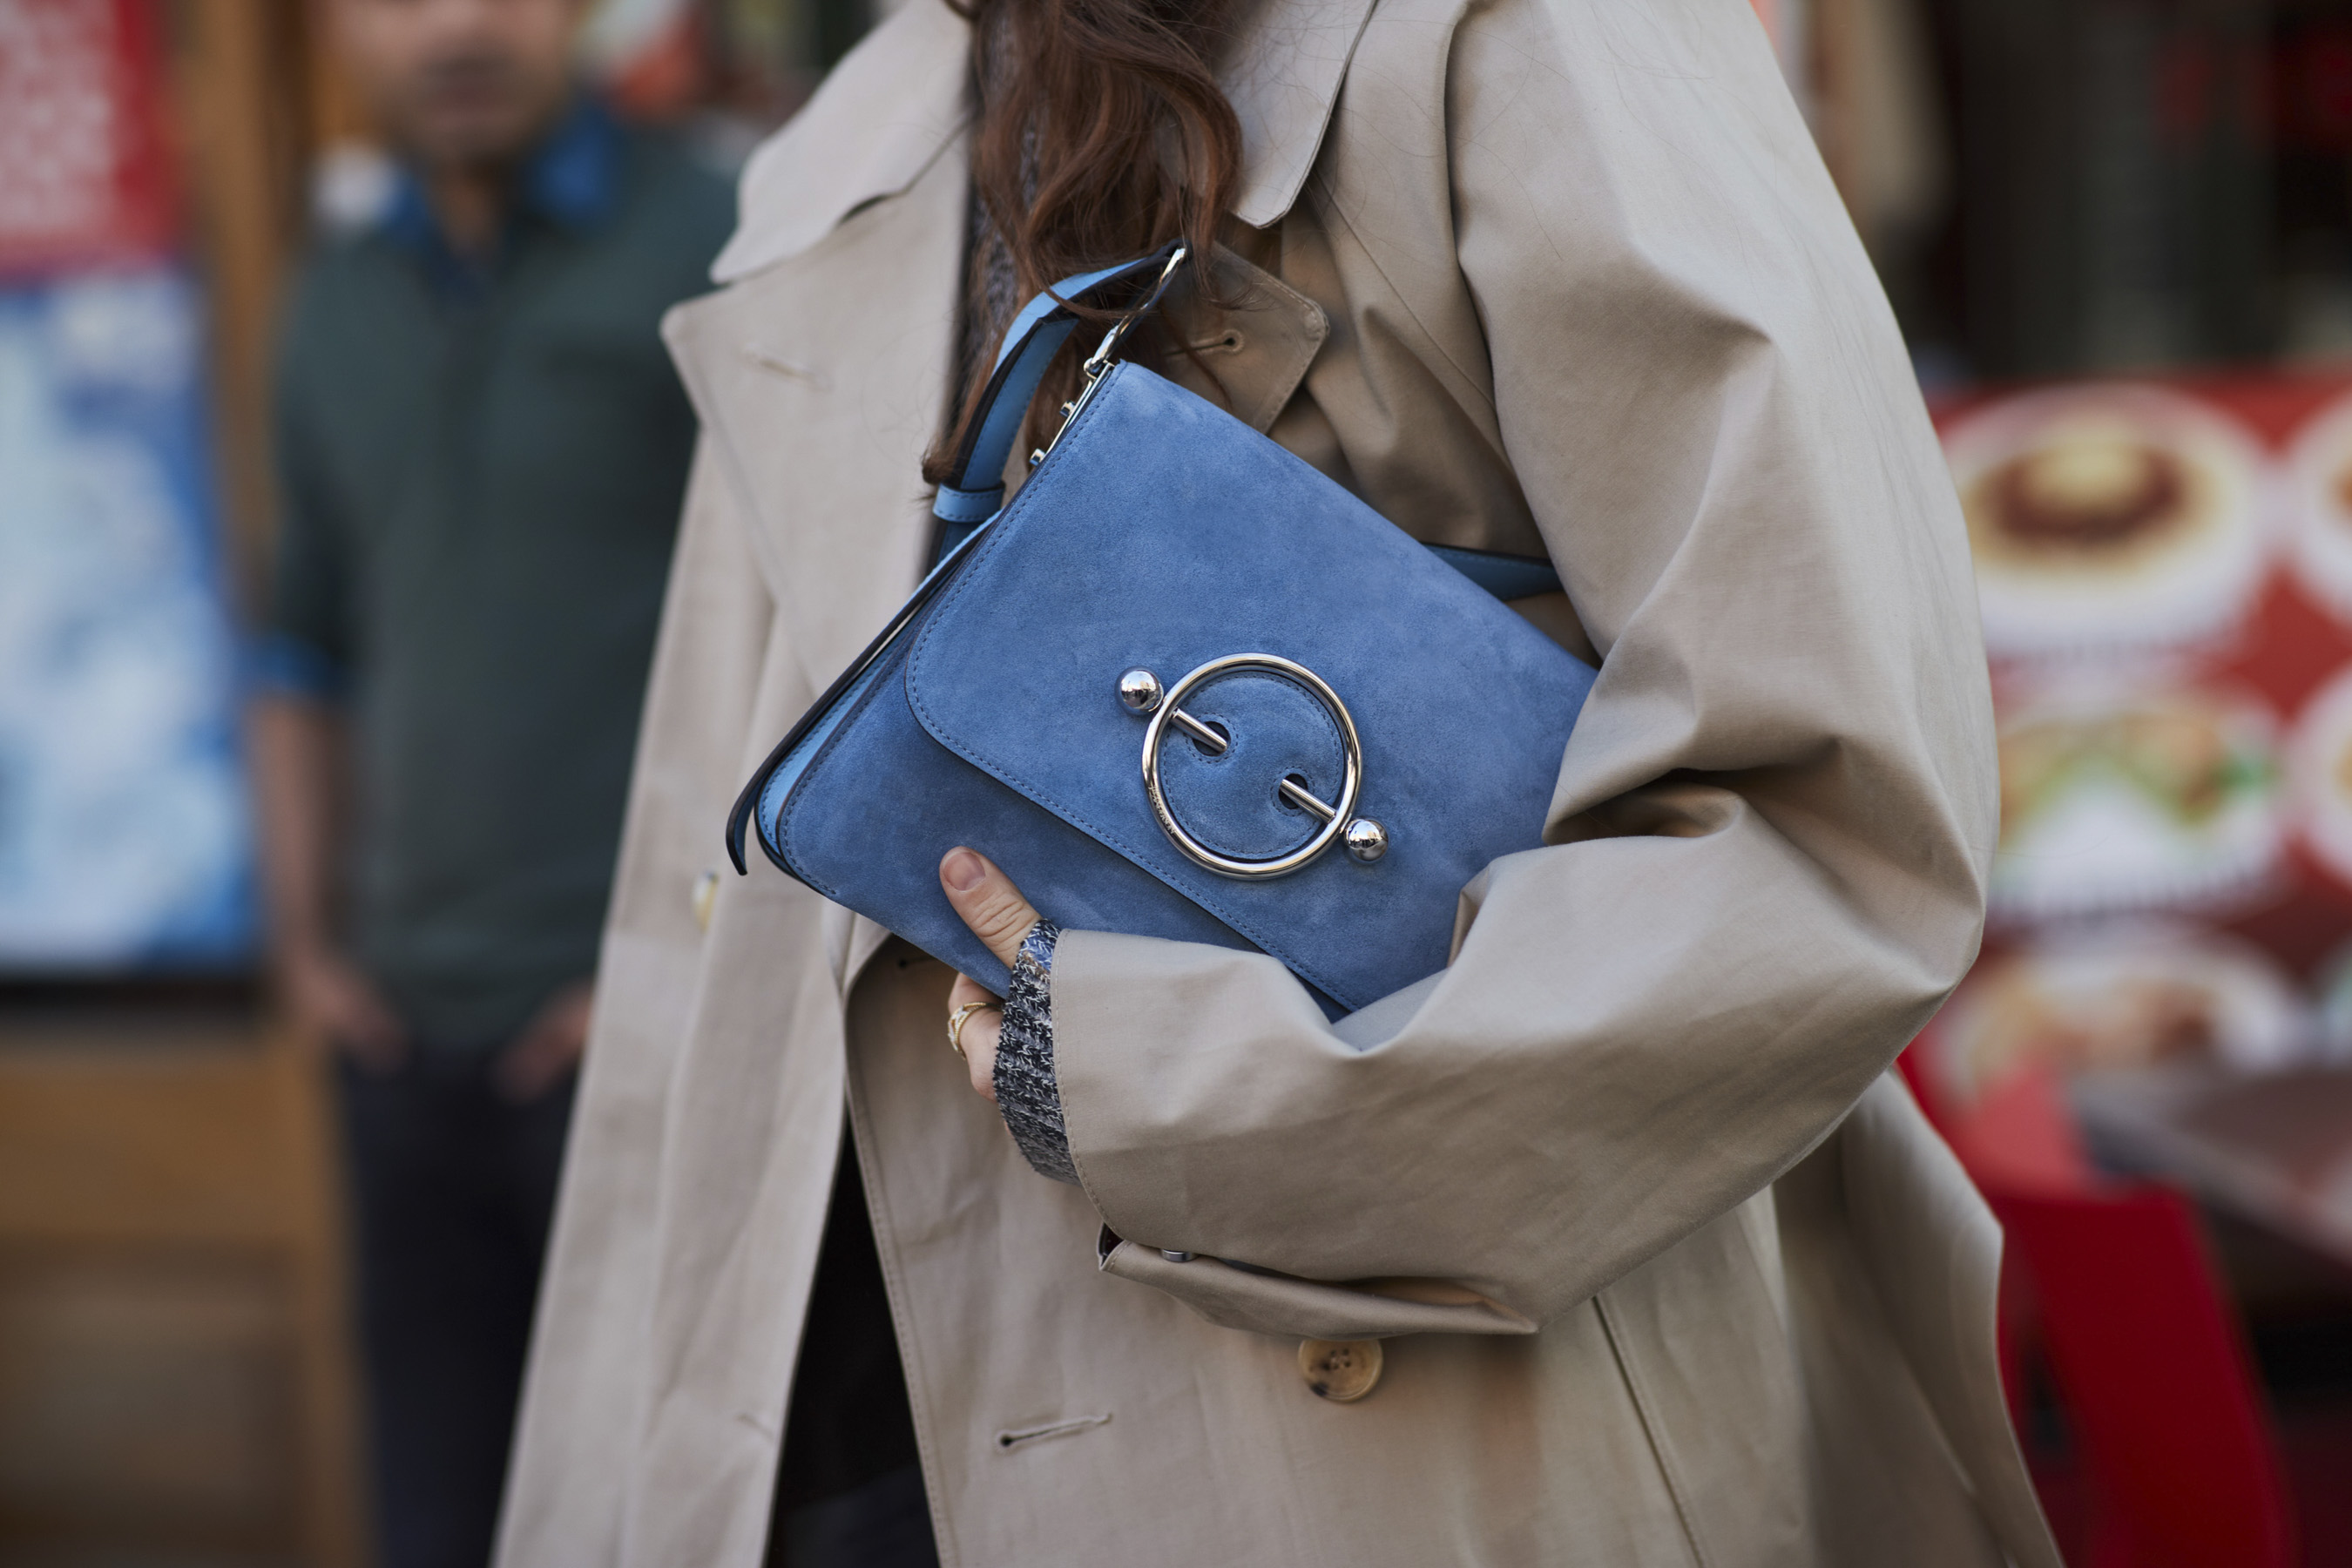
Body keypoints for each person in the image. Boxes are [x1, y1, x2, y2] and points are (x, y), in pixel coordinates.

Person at [498, 0, 2064, 1560]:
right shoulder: (873, 125)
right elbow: (702, 912)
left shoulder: (1528, 42)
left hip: (1378, 1440)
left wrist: (1135, 1074)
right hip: (819, 1417)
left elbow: (1826, 834)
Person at [245, 2, 733, 1564]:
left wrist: (686, 961)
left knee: (679, 1526)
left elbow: (818, 637)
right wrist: (307, 952)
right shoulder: (332, 296)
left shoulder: (721, 240)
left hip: (652, 1043)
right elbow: (302, 648)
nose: (457, 22)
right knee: (439, 1519)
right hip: (399, 1051)